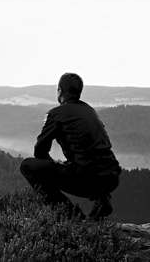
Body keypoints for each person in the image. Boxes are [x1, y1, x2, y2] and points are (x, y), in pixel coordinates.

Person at [20, 73, 121, 220]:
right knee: (89, 163)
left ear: (60, 91)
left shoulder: (56, 113)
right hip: (111, 178)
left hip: (86, 179)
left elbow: (40, 151)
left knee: (27, 166)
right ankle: (103, 200)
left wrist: (54, 165)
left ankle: (72, 217)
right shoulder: (90, 110)